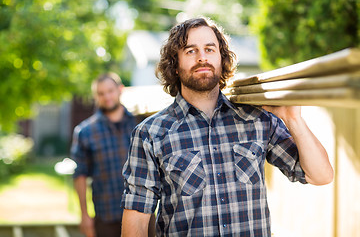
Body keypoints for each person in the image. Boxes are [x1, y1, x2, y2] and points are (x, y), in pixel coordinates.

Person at [121, 17, 334, 236]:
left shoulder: (257, 119)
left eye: (210, 49)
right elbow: (137, 217)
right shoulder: (150, 134)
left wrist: (293, 120)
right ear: (175, 65)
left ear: (222, 59)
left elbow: (321, 175)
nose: (202, 57)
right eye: (191, 51)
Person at [71, 72, 136, 237]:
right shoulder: (85, 132)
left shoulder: (139, 125)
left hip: (140, 213)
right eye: (101, 93)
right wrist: (84, 215)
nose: (106, 96)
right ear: (96, 97)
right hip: (106, 217)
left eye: (110, 91)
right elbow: (80, 175)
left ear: (120, 90)